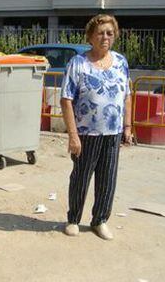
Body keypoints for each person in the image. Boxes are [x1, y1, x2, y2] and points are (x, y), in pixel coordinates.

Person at [60, 14, 132, 240]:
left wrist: (128, 127)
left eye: (110, 33)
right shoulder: (78, 64)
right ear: (90, 36)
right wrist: (73, 136)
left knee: (107, 179)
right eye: (100, 32)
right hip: (86, 133)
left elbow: (127, 96)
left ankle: (100, 220)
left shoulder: (121, 62)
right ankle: (73, 219)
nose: (105, 37)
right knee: (81, 178)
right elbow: (66, 99)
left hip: (112, 133)